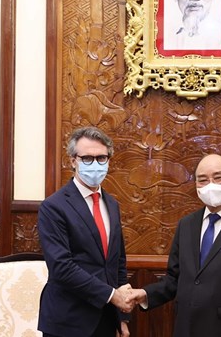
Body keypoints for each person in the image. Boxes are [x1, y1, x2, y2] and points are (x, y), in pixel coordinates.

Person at [127, 154, 221, 337]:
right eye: (203, 180)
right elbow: (174, 279)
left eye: (218, 177)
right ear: (196, 186)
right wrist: (145, 294)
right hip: (186, 329)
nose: (211, 185)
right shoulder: (187, 224)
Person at [38, 126, 133, 337]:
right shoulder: (53, 206)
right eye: (87, 158)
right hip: (68, 320)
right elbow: (61, 267)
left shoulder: (112, 204)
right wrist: (112, 295)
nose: (95, 164)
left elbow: (117, 262)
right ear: (73, 161)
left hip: (107, 319)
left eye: (101, 158)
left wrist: (122, 319)